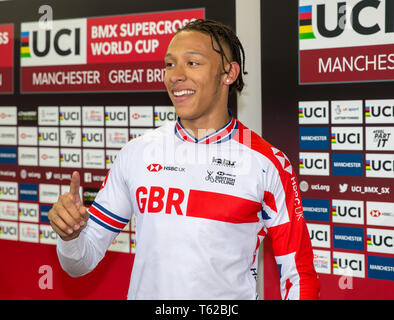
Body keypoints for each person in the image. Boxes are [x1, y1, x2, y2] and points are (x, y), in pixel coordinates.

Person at [49, 19, 320, 300]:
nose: (175, 76)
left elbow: (299, 276)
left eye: (192, 63)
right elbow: (80, 262)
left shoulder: (266, 162)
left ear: (229, 73)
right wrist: (70, 238)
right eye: (169, 64)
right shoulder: (137, 153)